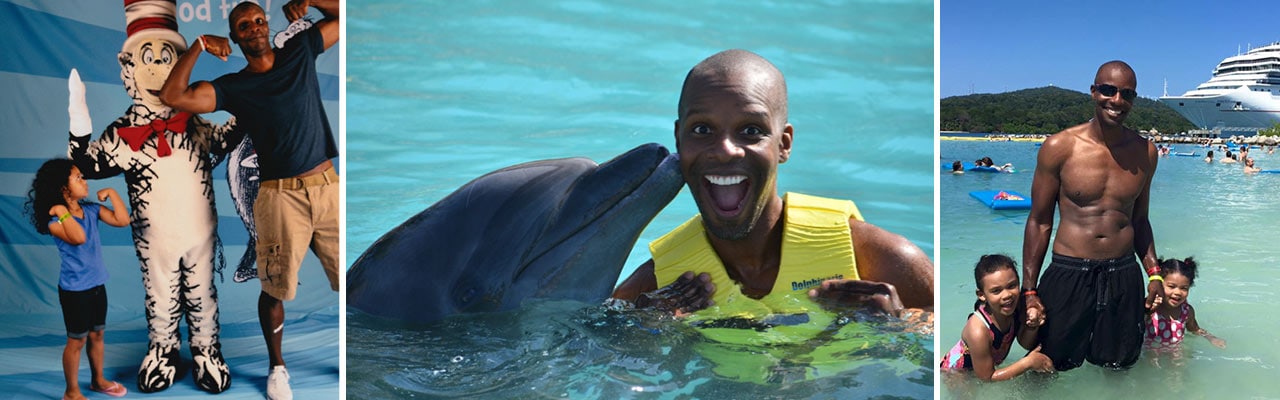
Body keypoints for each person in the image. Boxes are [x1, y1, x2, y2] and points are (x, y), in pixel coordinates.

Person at [611, 49, 933, 321]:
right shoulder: (653, 289)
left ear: (784, 144)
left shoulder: (882, 261)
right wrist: (644, 330)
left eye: (751, 131)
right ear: (678, 139)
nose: (725, 150)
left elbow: (944, 352)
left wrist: (899, 326)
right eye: (702, 130)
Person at [159, 0, 339, 398]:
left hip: (327, 187)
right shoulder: (234, 87)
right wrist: (199, 45)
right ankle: (277, 368)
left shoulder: (301, 50)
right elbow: (174, 96)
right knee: (273, 288)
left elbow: (343, 14)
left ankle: (352, 352)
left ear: (267, 25)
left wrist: (311, 1)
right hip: (278, 197)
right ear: (235, 38)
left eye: (259, 20)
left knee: (353, 277)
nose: (255, 27)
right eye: (244, 25)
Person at [1021, 60, 1163, 372]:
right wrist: (1028, 290)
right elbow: (1039, 221)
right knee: (1046, 364)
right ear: (1093, 92)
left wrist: (1154, 272)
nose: (1117, 100)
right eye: (1108, 90)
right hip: (1069, 271)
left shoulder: (1146, 152)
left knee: (1119, 366)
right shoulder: (1059, 147)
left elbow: (1139, 220)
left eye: (1127, 94)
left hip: (1123, 274)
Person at [25, 159, 130, 400]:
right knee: (77, 341)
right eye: (78, 178)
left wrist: (113, 193)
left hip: (97, 285)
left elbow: (123, 221)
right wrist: (62, 211)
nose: (85, 181)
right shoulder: (55, 222)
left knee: (97, 335)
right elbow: (78, 237)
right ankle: (71, 392)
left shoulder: (91, 210)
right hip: (75, 291)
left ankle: (98, 380)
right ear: (64, 188)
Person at [940, 254, 1053, 381]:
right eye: (996, 291)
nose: (1007, 295)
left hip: (980, 368)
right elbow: (987, 377)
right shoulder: (978, 330)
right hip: (956, 374)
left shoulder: (1015, 309)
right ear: (981, 295)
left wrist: (1032, 326)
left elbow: (1024, 343)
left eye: (1012, 286)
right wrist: (1028, 363)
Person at [1145, 257, 1226, 355]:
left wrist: (1211, 338)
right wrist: (1147, 311)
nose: (1178, 292)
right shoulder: (1151, 307)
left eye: (1184, 288)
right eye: (1171, 286)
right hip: (1151, 353)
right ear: (1159, 285)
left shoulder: (1187, 312)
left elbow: (1195, 329)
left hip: (1176, 354)